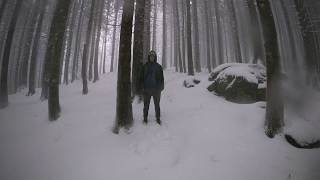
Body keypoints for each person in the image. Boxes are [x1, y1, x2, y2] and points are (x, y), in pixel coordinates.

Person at [140, 50, 164, 125]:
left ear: (155, 57)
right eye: (150, 56)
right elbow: (141, 78)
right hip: (147, 90)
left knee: (157, 105)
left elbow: (161, 79)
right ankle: (145, 118)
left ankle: (158, 118)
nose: (152, 57)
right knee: (146, 105)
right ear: (149, 57)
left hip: (156, 90)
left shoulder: (158, 67)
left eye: (153, 56)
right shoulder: (145, 66)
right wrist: (142, 87)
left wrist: (161, 88)